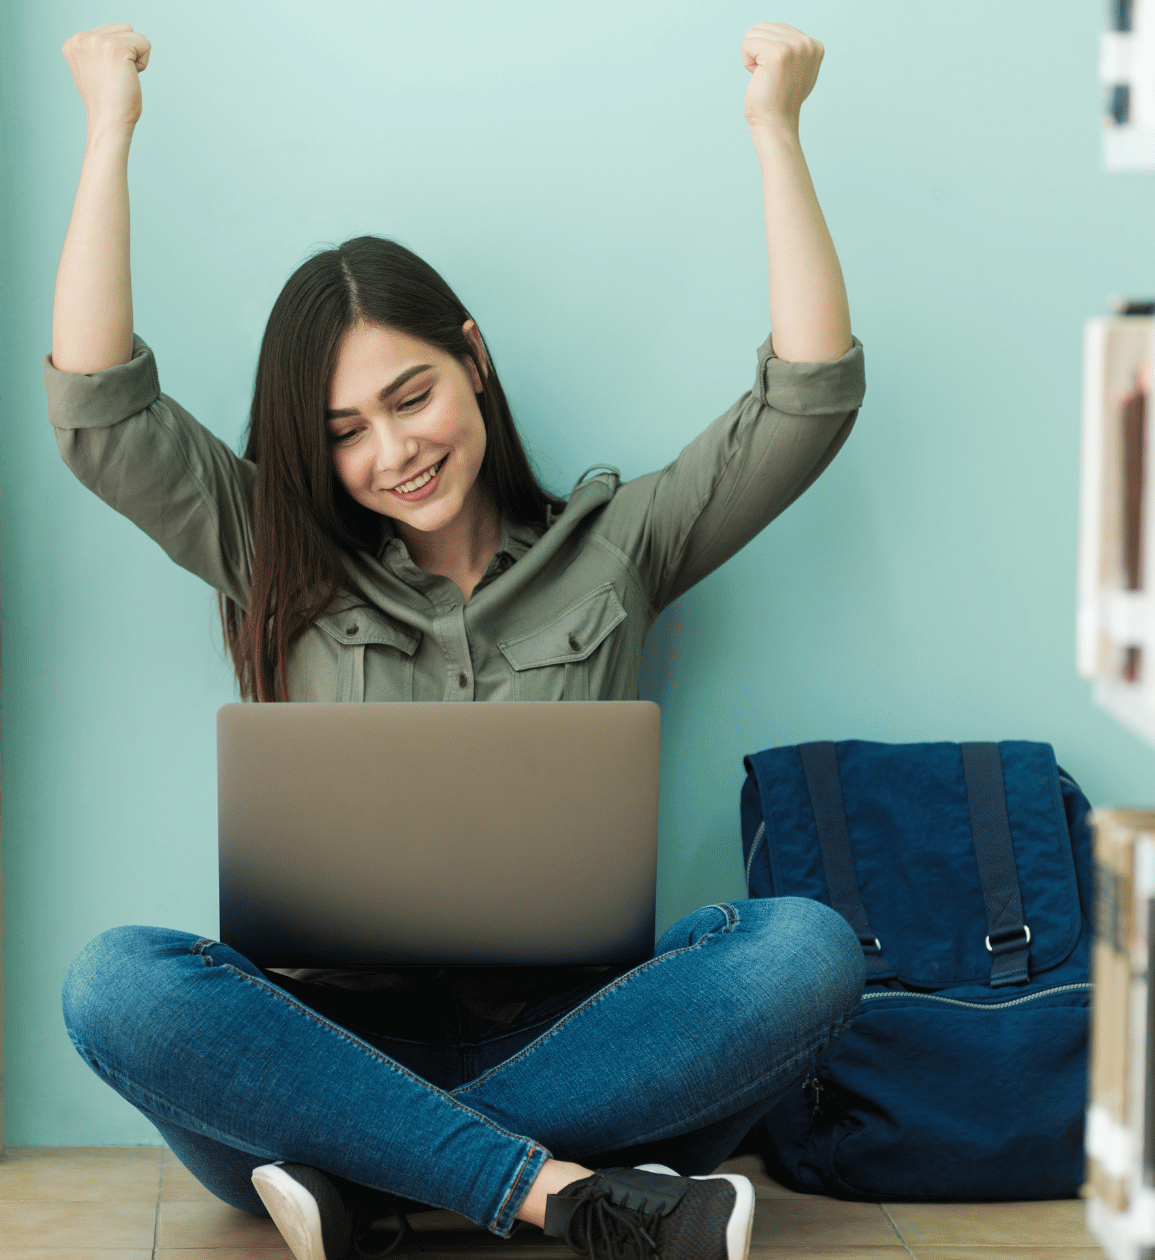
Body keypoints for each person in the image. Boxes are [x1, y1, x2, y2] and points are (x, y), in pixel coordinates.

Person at [47, 20, 867, 1260]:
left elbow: (807, 397)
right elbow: (99, 409)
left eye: (410, 395)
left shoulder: (619, 541)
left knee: (802, 948)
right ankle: (566, 1197)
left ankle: (375, 1188)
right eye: (342, 431)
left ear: (472, 363)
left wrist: (775, 130)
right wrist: (109, 129)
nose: (391, 452)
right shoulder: (269, 554)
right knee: (116, 981)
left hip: (590, 1048)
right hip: (316, 1047)